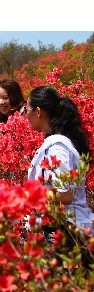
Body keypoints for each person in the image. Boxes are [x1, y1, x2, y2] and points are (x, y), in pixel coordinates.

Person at [25, 86, 94, 235]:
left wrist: (26, 196)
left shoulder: (56, 147)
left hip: (66, 230)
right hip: (67, 226)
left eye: (26, 110)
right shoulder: (57, 142)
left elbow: (64, 195)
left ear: (38, 112)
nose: (25, 115)